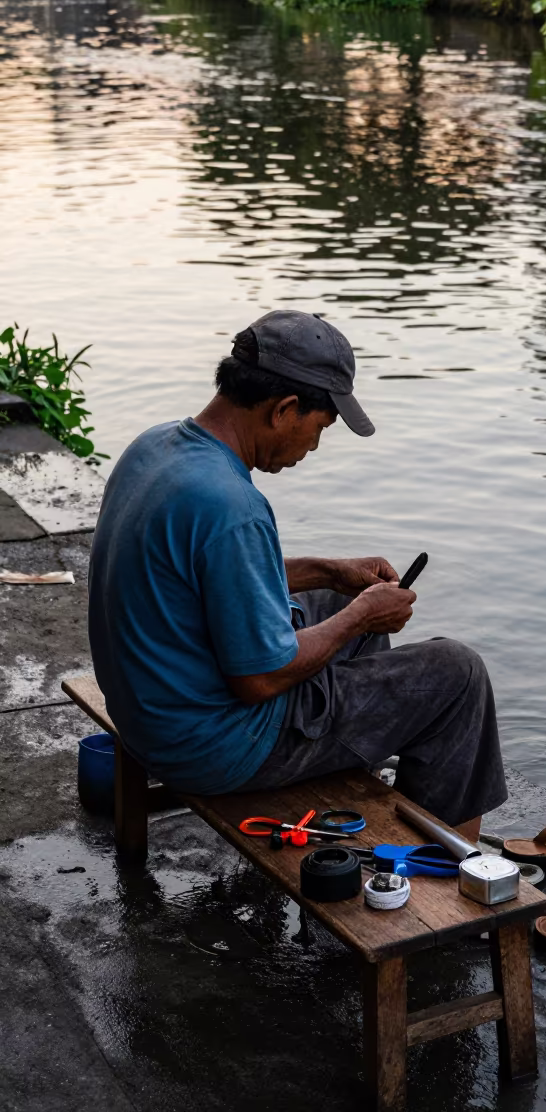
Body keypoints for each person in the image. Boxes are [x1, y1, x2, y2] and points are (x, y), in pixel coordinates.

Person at [88, 311, 507, 827]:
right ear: (285, 409)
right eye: (320, 427)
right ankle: (451, 876)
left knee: (339, 601)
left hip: (148, 713)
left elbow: (206, 571)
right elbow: (260, 680)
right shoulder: (233, 505)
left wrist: (330, 573)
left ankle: (348, 768)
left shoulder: (155, 447)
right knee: (457, 673)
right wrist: (361, 617)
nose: (313, 446)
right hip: (215, 746)